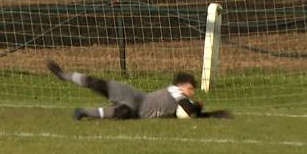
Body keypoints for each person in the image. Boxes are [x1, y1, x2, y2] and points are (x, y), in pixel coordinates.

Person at [47, 61, 230, 120]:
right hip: (136, 99)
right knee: (98, 84)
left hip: (137, 108)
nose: (191, 92)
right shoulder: (177, 93)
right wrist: (198, 107)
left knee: (119, 112)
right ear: (181, 85)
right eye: (190, 88)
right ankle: (64, 75)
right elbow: (189, 110)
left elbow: (188, 112)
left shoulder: (178, 96)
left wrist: (211, 113)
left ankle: (82, 111)